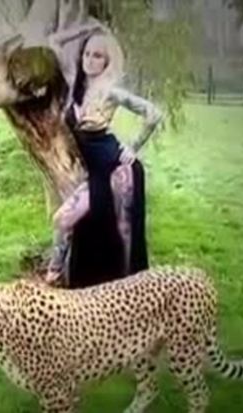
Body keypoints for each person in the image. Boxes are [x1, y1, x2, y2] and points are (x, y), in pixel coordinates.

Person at [45, 27, 163, 289]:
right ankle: (56, 279)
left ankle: (127, 289)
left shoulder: (111, 92)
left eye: (97, 55)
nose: (89, 59)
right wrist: (90, 29)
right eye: (87, 53)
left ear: (107, 61)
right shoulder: (74, 81)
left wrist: (134, 146)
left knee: (112, 230)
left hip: (110, 168)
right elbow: (54, 41)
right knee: (66, 221)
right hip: (87, 167)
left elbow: (153, 113)